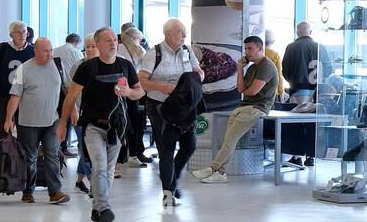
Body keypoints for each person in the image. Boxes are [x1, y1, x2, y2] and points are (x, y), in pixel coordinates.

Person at [58, 27, 145, 222]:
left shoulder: (125, 66)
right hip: (92, 126)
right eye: (108, 40)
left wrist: (128, 92)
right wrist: (63, 123)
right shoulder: (87, 68)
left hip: (117, 127)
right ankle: (105, 208)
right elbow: (70, 96)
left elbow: (139, 91)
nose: (113, 43)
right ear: (98, 44)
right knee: (98, 165)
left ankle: (97, 209)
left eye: (115, 39)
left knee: (107, 170)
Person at [192, 35, 279, 185]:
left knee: (230, 139)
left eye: (250, 48)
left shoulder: (266, 66)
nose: (247, 52)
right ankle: (220, 173)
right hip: (244, 107)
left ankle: (213, 169)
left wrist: (245, 88)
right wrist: (239, 68)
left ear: (260, 48)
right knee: (229, 140)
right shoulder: (252, 67)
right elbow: (241, 88)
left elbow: (251, 91)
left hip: (257, 108)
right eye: (246, 49)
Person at [139, 18, 204, 207]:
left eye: (184, 32)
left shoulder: (187, 50)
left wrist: (196, 78)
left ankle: (171, 179)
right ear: (168, 34)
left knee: (189, 145)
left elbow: (198, 71)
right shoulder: (155, 53)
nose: (184, 35)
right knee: (166, 149)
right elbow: (142, 81)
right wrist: (162, 87)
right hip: (160, 106)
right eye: (180, 32)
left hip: (184, 106)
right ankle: (168, 193)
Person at [3, 38, 69, 205]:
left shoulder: (58, 66)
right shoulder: (24, 69)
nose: (49, 54)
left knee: (52, 155)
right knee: (30, 157)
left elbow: (66, 90)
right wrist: (8, 118)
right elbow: (15, 96)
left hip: (52, 120)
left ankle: (54, 191)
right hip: (28, 122)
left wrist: (73, 110)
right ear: (36, 51)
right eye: (45, 51)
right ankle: (28, 190)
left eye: (51, 50)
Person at [0, 21, 33, 139]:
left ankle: (22, 156)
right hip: (4, 95)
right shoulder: (3, 48)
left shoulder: (33, 50)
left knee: (25, 131)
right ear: (11, 35)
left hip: (26, 97)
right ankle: (4, 156)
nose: (22, 35)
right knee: (3, 129)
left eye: (24, 32)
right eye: (18, 32)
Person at [283, 23, 320, 166]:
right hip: (317, 91)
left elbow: (285, 69)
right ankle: (311, 157)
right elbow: (328, 67)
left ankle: (296, 155)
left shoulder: (291, 47)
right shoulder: (319, 46)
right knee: (312, 124)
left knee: (296, 123)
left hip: (298, 90)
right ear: (311, 31)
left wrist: (292, 81)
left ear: (297, 32)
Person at [117, 26, 152, 169]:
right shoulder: (134, 51)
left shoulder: (120, 49)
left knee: (127, 124)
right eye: (139, 39)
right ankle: (132, 154)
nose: (140, 42)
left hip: (124, 91)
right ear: (134, 38)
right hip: (132, 90)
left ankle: (127, 155)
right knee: (133, 124)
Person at [72, 34, 97, 195]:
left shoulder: (107, 64)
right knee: (86, 149)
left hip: (100, 116)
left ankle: (79, 181)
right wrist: (73, 109)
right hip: (81, 114)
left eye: (93, 46)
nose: (89, 49)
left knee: (89, 149)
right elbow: (69, 91)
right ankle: (94, 184)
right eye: (87, 46)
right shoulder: (78, 66)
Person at [264, 30, 285, 100]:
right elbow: (279, 74)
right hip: (272, 91)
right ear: (273, 41)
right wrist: (281, 92)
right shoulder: (275, 55)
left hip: (257, 90)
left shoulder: (256, 52)